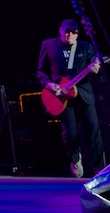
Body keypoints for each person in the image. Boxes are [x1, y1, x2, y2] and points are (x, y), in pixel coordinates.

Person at [36, 18, 105, 178]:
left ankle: (98, 167)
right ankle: (75, 160)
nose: (70, 35)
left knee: (93, 129)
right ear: (60, 30)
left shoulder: (86, 47)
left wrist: (96, 70)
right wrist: (50, 85)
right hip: (61, 96)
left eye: (74, 32)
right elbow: (40, 71)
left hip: (83, 94)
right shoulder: (49, 45)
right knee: (70, 133)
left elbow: (97, 71)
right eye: (67, 31)